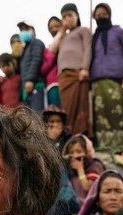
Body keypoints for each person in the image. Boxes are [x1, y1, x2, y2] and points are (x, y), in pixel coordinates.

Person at [90, 3, 123, 153]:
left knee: (117, 114)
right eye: (97, 14)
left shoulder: (120, 32)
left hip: (116, 80)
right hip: (96, 81)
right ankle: (104, 148)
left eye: (104, 13)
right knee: (101, 116)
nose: (100, 16)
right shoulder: (94, 37)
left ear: (109, 15)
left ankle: (120, 149)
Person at [49, 3, 92, 135]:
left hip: (78, 73)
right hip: (64, 76)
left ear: (77, 16)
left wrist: (84, 68)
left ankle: (80, 134)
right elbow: (51, 50)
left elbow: (88, 48)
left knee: (80, 106)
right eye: (64, 16)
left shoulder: (83, 30)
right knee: (67, 107)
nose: (67, 18)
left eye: (70, 15)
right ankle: (70, 134)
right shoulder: (63, 37)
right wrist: (61, 31)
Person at [62, 134, 105, 203]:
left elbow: (88, 188)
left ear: (87, 152)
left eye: (79, 152)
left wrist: (80, 169)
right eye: (71, 153)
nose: (75, 156)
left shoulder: (95, 166)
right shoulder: (69, 169)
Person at [17, 19, 46, 111]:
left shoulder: (37, 43)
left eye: (26, 29)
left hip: (36, 85)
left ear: (33, 30)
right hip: (27, 89)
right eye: (21, 30)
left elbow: (36, 60)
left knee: (38, 117)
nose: (23, 31)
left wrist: (30, 80)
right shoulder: (24, 49)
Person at [40, 16, 62, 107]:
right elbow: (43, 69)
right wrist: (53, 54)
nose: (54, 29)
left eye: (56, 26)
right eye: (51, 28)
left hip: (69, 81)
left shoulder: (70, 43)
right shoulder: (47, 50)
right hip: (53, 84)